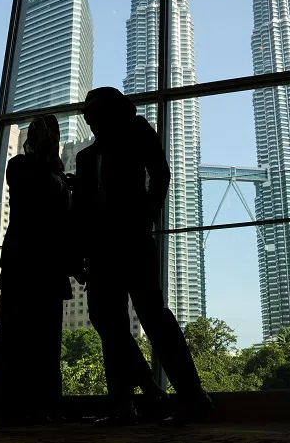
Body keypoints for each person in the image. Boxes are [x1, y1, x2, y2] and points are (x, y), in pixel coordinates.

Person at [74, 87, 212, 427]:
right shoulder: (86, 158)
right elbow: (81, 211)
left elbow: (160, 172)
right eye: (86, 118)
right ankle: (126, 402)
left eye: (93, 114)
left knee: (153, 317)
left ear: (109, 110)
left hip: (133, 241)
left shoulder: (136, 131)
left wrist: (149, 213)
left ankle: (192, 397)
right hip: (100, 250)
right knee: (108, 322)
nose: (89, 122)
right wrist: (79, 251)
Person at [0, 114, 78, 423]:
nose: (49, 140)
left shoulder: (57, 176)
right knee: (17, 333)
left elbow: (64, 222)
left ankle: (43, 405)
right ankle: (10, 405)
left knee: (45, 338)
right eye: (44, 135)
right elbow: (34, 198)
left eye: (52, 135)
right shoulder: (22, 166)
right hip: (26, 262)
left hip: (45, 265)